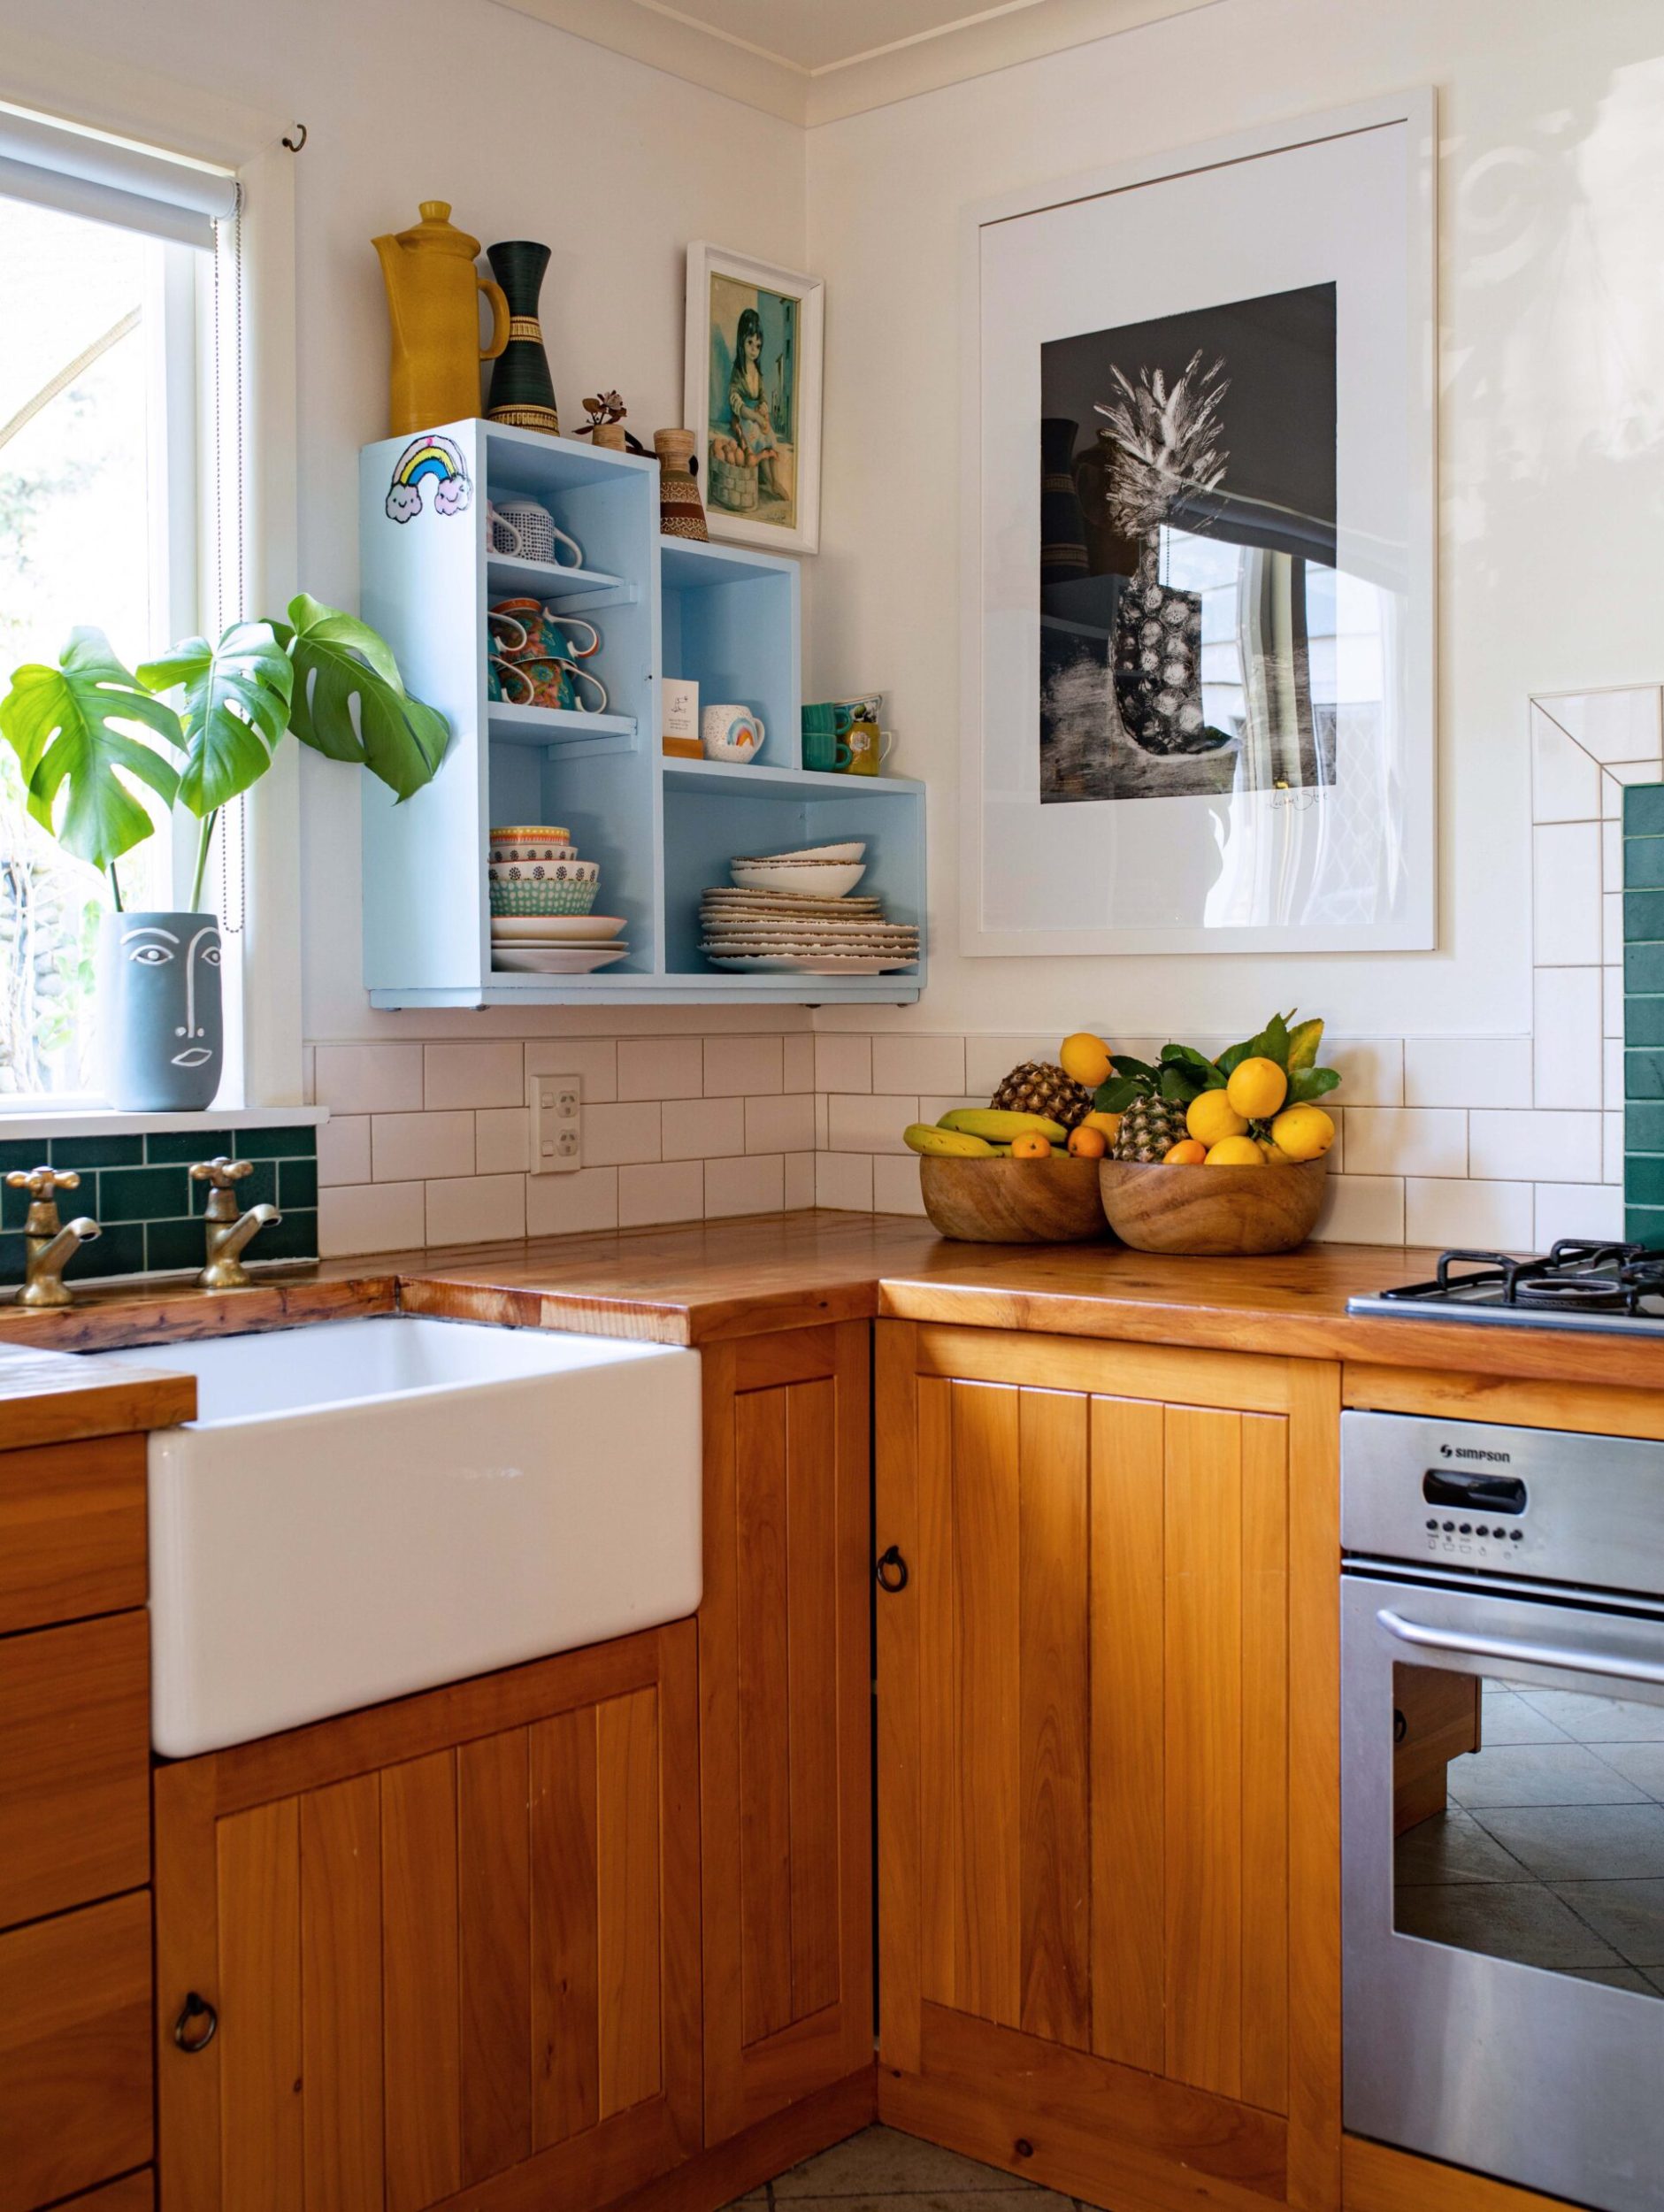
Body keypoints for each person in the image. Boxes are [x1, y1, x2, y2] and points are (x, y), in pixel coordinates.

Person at [726, 307, 780, 495]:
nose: (754, 349)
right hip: (745, 417)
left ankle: (775, 480)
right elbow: (736, 401)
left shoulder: (757, 372)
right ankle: (769, 481)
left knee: (770, 436)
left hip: (757, 414)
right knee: (757, 437)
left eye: (758, 345)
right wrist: (756, 417)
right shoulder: (739, 372)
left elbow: (763, 395)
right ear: (742, 341)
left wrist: (764, 408)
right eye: (750, 343)